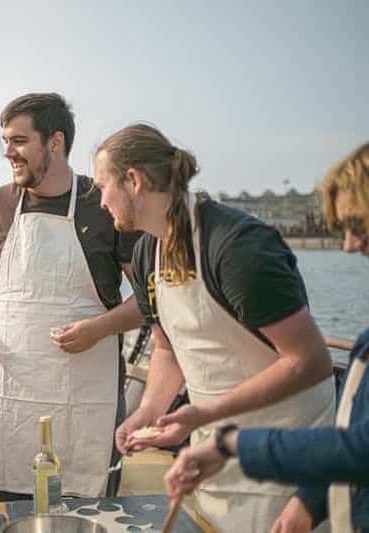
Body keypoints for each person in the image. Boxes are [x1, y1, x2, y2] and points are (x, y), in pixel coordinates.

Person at [97, 123, 337, 532]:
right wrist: (150, 412)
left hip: (285, 460)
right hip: (212, 457)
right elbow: (168, 350)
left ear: (133, 180)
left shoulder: (238, 247)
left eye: (103, 186)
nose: (102, 201)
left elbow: (310, 361)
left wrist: (204, 413)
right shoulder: (146, 254)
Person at [0, 93, 144, 502]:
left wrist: (99, 328)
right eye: (5, 141)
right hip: (10, 404)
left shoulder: (103, 203)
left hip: (88, 401)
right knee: (9, 516)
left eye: (19, 141)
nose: (8, 152)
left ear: (55, 141)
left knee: (88, 517)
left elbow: (151, 296)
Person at [164, 142, 369, 533]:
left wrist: (231, 444)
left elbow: (361, 448)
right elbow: (349, 436)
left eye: (358, 225)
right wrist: (308, 502)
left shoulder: (237, 246)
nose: (349, 245)